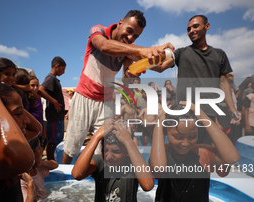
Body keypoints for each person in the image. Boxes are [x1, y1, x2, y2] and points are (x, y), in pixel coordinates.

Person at [62, 9, 174, 164]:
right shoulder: (98, 31)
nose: (130, 38)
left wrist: (172, 57)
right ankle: (63, 177)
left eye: (135, 36)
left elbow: (149, 70)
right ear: (120, 23)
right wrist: (143, 50)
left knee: (103, 149)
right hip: (84, 96)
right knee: (71, 146)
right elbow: (104, 46)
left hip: (106, 102)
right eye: (129, 31)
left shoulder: (128, 47)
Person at [149, 102, 240, 202]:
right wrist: (159, 123)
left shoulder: (204, 154)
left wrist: (201, 115)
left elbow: (232, 158)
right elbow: (158, 167)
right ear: (165, 131)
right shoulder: (161, 154)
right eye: (178, 137)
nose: (185, 143)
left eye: (192, 136)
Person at [153, 15, 240, 144]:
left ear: (207, 26)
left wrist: (232, 109)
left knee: (206, 154)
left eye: (195, 26)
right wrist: (137, 64)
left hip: (209, 113)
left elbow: (224, 84)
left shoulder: (219, 54)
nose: (191, 31)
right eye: (188, 29)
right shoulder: (181, 53)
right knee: (182, 153)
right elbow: (161, 67)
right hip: (184, 113)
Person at [72, 119, 154, 202]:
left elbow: (148, 185)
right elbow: (77, 174)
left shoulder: (133, 165)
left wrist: (129, 142)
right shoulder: (100, 162)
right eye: (105, 150)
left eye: (116, 151)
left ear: (127, 151)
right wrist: (96, 137)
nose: (109, 156)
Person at [20, 137, 58, 202]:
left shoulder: (37, 168)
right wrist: (30, 182)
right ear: (31, 153)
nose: (41, 149)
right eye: (39, 147)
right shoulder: (23, 181)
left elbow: (55, 165)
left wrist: (42, 163)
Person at [39, 56, 66, 160]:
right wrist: (54, 101)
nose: (63, 72)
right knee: (52, 141)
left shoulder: (55, 80)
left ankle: (54, 160)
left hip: (58, 116)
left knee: (57, 140)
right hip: (54, 116)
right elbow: (40, 90)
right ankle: (50, 161)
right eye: (63, 69)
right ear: (57, 66)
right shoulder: (50, 78)